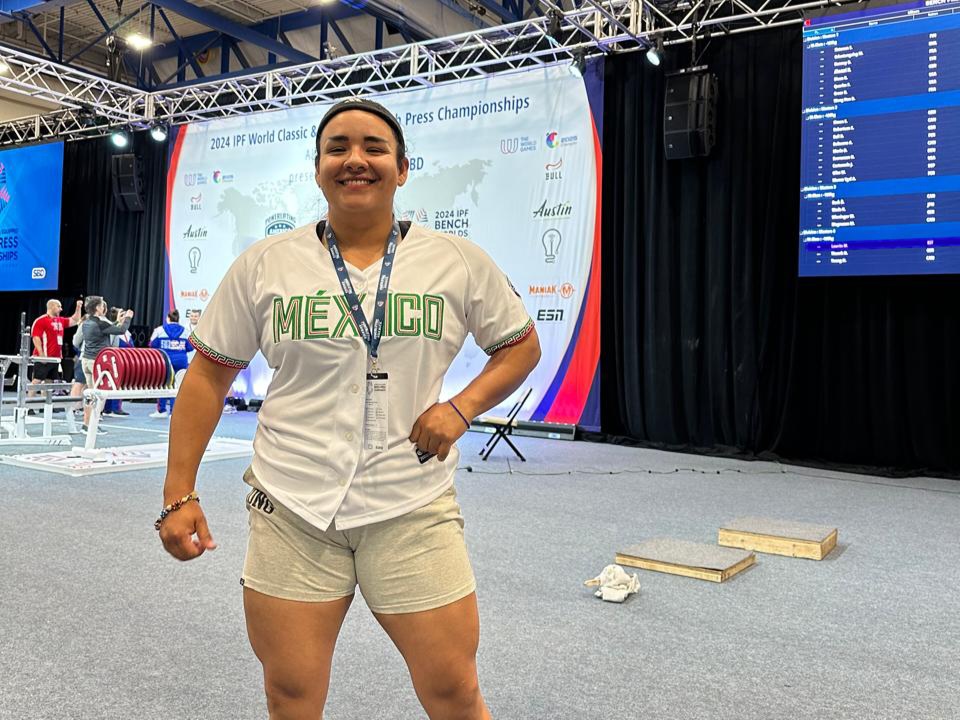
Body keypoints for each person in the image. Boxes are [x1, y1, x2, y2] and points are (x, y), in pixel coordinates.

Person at [158, 97, 541, 720]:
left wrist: (461, 408)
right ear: (317, 170)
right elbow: (206, 377)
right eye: (337, 148)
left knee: (453, 689)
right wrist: (179, 492)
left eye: (374, 148)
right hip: (291, 503)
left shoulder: (456, 260)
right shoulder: (265, 263)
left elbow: (521, 347)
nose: (355, 160)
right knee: (290, 693)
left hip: (410, 502)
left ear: (402, 168)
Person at [80, 296, 133, 431]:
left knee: (91, 394)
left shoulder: (86, 322)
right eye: (102, 305)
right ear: (98, 308)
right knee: (99, 396)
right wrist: (128, 318)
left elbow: (106, 329)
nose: (104, 307)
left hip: (86, 361)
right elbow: (121, 331)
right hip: (96, 363)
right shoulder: (100, 323)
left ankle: (86, 425)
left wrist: (117, 321)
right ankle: (93, 426)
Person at [28, 298, 83, 400]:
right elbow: (36, 337)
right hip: (44, 357)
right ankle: (28, 403)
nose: (61, 309)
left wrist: (78, 307)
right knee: (37, 380)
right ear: (52, 307)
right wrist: (42, 355)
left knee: (49, 382)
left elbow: (75, 320)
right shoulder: (41, 320)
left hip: (55, 358)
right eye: (59, 306)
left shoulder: (60, 320)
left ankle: (46, 405)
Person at [149, 309, 193, 418]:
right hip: (181, 361)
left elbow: (152, 344)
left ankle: (161, 410)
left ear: (168, 318)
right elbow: (190, 347)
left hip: (165, 361)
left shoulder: (159, 330)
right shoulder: (186, 331)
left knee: (164, 385)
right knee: (177, 386)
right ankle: (174, 412)